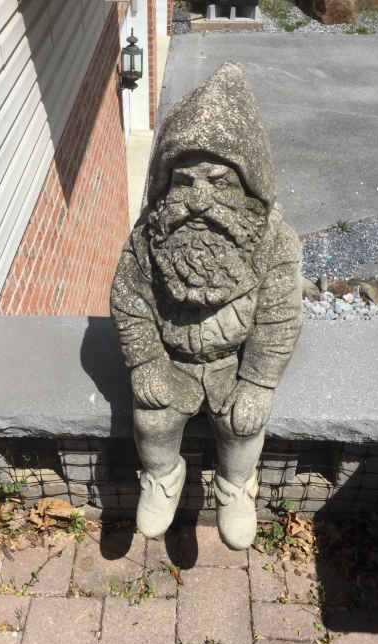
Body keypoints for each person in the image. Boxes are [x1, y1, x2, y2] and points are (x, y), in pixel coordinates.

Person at [111, 62, 302, 549]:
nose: (199, 199)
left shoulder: (273, 243)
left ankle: (235, 485)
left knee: (243, 426)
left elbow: (279, 317)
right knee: (152, 420)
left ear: (248, 188)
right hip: (170, 360)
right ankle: (162, 476)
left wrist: (257, 382)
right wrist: (146, 361)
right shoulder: (149, 238)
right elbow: (129, 300)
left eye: (219, 183)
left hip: (232, 365)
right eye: (185, 182)